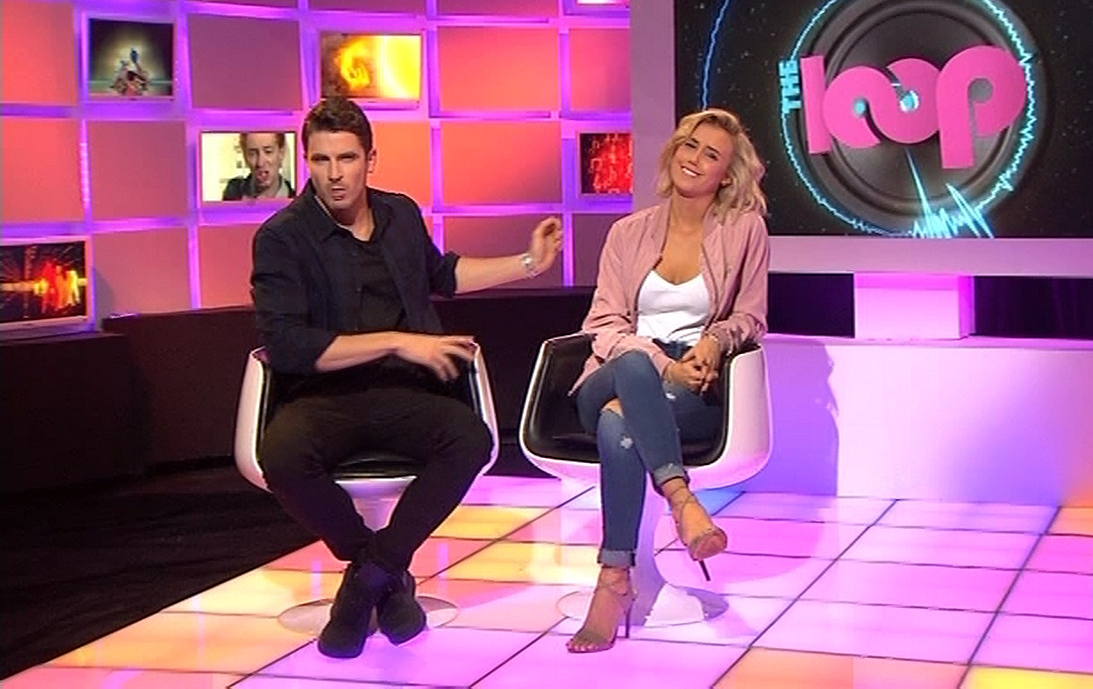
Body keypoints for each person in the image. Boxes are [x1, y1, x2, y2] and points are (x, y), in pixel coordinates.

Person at [250, 96, 564, 659]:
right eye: (321, 160)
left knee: (469, 439)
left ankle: (371, 576)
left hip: (403, 393)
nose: (335, 174)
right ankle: (382, 574)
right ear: (307, 162)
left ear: (371, 159)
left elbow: (443, 275)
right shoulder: (282, 237)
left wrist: (528, 263)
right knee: (282, 455)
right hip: (325, 396)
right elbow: (290, 345)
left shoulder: (400, 215)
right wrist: (398, 340)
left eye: (347, 158)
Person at [566, 108, 769, 653]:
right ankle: (683, 501)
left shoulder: (744, 231)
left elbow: (751, 316)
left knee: (619, 427)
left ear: (726, 175)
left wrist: (714, 341)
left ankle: (614, 578)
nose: (694, 158)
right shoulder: (627, 233)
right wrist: (660, 363)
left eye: (711, 154)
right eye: (689, 144)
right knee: (634, 369)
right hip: (613, 371)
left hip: (690, 380)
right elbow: (603, 324)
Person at [223, 132, 296, 201]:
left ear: (281, 153)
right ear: (244, 156)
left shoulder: (296, 201)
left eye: (268, 152)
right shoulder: (233, 195)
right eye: (252, 154)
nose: (260, 163)